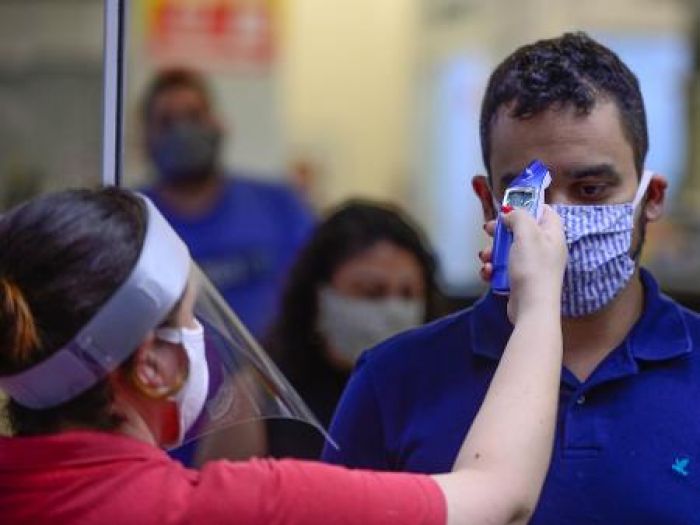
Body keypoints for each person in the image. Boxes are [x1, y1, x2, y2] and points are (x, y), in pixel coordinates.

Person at [0, 187, 566, 525]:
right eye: (190, 318)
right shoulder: (230, 506)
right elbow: (499, 497)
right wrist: (540, 303)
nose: (200, 335)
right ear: (151, 365)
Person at [323, 32, 700, 523]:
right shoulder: (394, 381)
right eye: (529, 194)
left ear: (651, 198)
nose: (555, 222)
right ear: (488, 202)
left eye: (590, 189)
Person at [141, 67, 314, 339]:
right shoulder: (133, 221)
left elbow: (316, 289)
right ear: (145, 137)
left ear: (218, 123)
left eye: (194, 116)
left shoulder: (280, 205)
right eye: (167, 122)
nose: (183, 131)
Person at [264, 199, 442, 459]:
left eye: (408, 294)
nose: (393, 310)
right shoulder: (263, 394)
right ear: (318, 296)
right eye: (372, 292)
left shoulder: (441, 397)